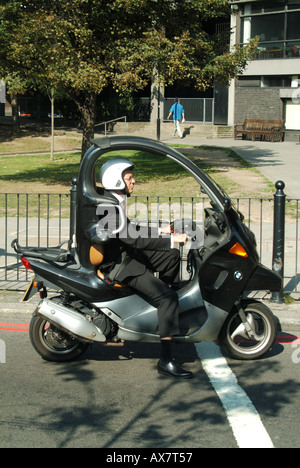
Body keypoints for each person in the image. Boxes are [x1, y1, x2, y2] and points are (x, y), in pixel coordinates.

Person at [97, 157, 193, 379]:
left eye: (132, 178)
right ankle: (166, 360)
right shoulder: (108, 206)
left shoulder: (113, 200)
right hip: (121, 265)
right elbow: (133, 239)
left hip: (125, 254)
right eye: (129, 178)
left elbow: (130, 228)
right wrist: (172, 240)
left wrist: (163, 231)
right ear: (116, 180)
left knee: (169, 256)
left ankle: (162, 312)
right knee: (168, 297)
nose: (133, 182)